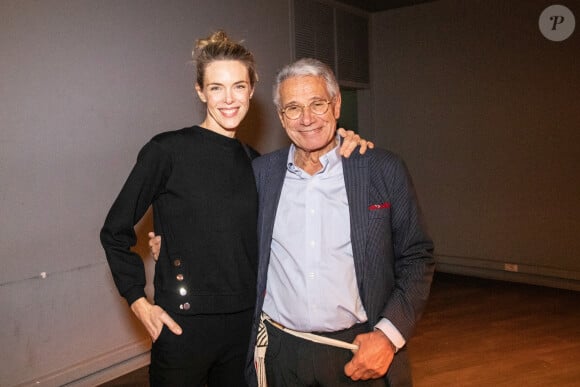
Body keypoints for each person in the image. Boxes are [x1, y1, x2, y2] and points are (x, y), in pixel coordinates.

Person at [100, 31, 371, 387]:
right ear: (200, 91)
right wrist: (138, 301)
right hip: (183, 327)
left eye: (238, 86)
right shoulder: (166, 151)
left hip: (246, 327)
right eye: (216, 87)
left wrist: (343, 141)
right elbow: (114, 231)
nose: (229, 98)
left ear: (252, 89)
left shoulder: (258, 165)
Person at [245, 58, 435, 387]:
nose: (306, 119)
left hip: (359, 350)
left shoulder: (382, 170)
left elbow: (417, 256)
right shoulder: (260, 175)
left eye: (317, 103)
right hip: (281, 355)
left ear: (336, 105)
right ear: (281, 116)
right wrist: (168, 241)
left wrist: (388, 336)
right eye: (293, 108)